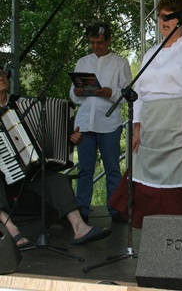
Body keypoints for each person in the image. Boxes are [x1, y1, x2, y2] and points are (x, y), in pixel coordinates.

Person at [109, 0, 182, 228]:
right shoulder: (151, 53)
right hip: (153, 125)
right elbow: (140, 91)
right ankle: (156, 232)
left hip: (181, 124)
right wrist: (137, 127)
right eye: (161, 17)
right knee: (148, 181)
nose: (164, 22)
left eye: (169, 17)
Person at [0, 69, 111, 247]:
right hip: (3, 176)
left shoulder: (21, 104)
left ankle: (79, 228)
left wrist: (70, 140)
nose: (1, 77)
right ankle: (12, 230)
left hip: (27, 171)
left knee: (57, 180)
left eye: (2, 73)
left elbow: (46, 140)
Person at [70, 22, 132, 223]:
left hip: (109, 123)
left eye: (99, 42)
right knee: (85, 169)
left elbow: (129, 95)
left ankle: (114, 209)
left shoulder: (120, 63)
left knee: (112, 168)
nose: (95, 46)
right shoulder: (82, 62)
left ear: (109, 40)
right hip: (85, 122)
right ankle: (82, 210)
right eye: (92, 42)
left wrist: (111, 93)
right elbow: (73, 96)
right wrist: (77, 91)